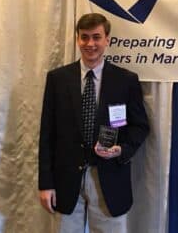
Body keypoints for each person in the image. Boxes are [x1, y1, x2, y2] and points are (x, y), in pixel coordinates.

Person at [38, 13, 149, 232]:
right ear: (77, 39)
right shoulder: (57, 79)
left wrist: (121, 150)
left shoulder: (126, 80)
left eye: (96, 37)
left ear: (107, 39)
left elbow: (140, 127)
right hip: (66, 182)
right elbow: (47, 135)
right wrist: (45, 183)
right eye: (85, 37)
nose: (90, 44)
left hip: (110, 179)